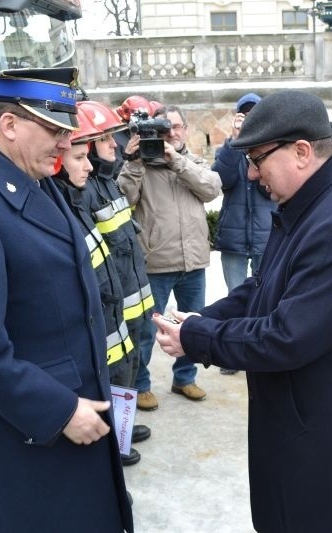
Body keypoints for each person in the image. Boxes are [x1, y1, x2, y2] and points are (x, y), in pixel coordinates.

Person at [150, 90, 332, 532]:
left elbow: (287, 335)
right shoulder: (310, 204)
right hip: (311, 433)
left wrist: (197, 339)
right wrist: (204, 319)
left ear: (301, 151)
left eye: (258, 159)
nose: (252, 175)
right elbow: (265, 284)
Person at [0, 68, 132, 532]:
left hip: (78, 414)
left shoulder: (36, 183)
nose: (65, 142)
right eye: (54, 130)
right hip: (32, 433)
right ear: (10, 124)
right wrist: (57, 412)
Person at [51, 100, 144, 467]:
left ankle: (119, 437)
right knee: (104, 392)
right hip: (100, 325)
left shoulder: (81, 195)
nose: (89, 162)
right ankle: (113, 451)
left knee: (124, 376)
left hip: (117, 311)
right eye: (79, 156)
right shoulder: (67, 206)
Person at [118, 104, 222, 410]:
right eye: (164, 129)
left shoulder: (192, 162)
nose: (171, 134)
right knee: (147, 331)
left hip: (194, 262)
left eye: (176, 127)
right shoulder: (140, 167)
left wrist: (176, 160)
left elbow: (212, 188)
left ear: (185, 130)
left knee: (193, 325)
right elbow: (122, 200)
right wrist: (134, 162)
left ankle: (185, 378)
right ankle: (141, 385)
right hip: (156, 263)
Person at [76, 99, 154, 446]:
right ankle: (116, 441)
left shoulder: (107, 182)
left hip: (133, 299)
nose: (114, 144)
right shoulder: (85, 191)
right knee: (115, 375)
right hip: (116, 303)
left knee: (131, 367)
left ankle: (124, 426)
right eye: (105, 139)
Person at [211, 92, 276, 375]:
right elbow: (222, 179)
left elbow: (267, 188)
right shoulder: (230, 149)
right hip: (234, 238)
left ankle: (260, 347)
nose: (248, 118)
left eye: (254, 114)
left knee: (267, 295)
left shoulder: (269, 150)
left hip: (265, 236)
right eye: (243, 113)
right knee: (235, 296)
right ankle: (234, 351)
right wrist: (233, 141)